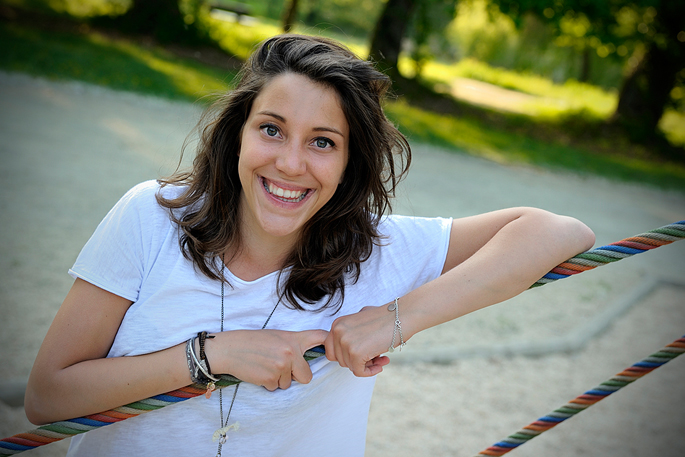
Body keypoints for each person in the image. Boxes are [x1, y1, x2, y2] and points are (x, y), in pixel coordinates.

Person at [24, 34, 595, 456]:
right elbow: (48, 397)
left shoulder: (376, 248)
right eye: (271, 129)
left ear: (349, 164)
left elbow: (559, 231)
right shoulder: (153, 216)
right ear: (238, 133)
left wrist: (395, 318)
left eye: (323, 142)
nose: (290, 164)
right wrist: (211, 355)